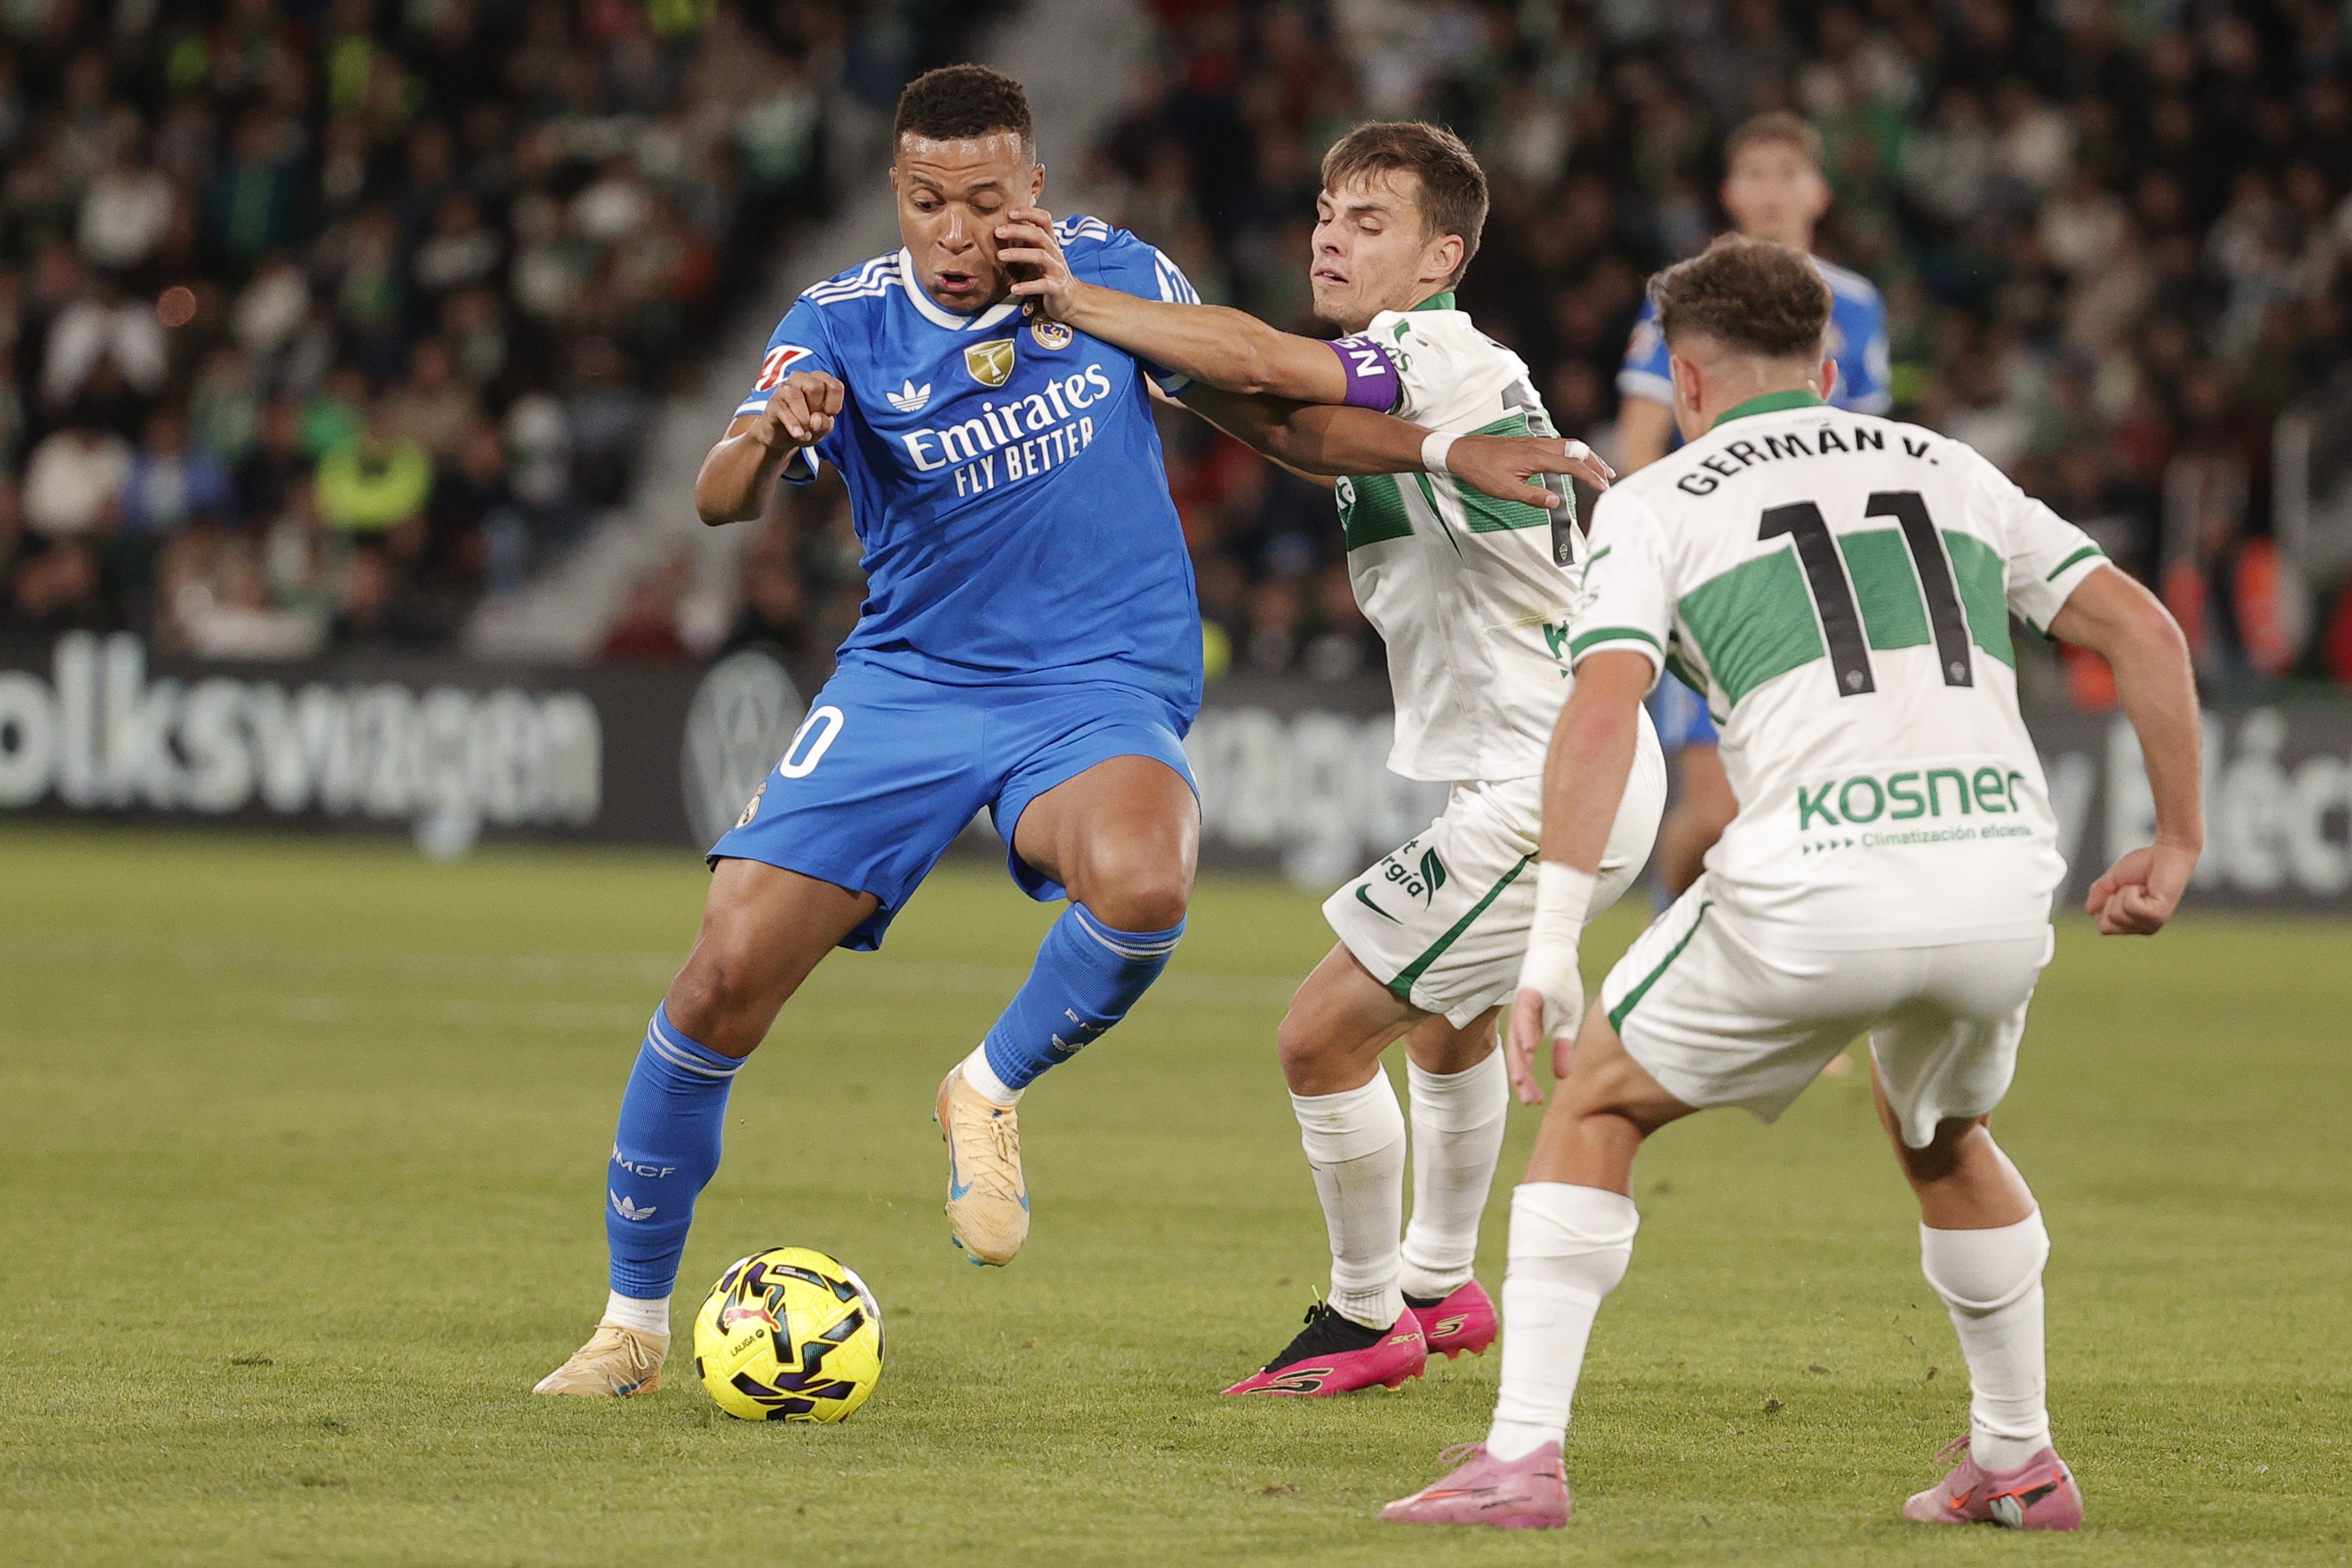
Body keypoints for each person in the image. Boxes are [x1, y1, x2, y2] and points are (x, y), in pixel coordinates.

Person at [535, 66, 1597, 1399]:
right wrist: (770, 434)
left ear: (1032, 187)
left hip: (1097, 681)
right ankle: (630, 1323)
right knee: (718, 980)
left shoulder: (1106, 272)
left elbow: (1271, 414)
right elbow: (715, 494)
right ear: (897, 198)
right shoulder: (840, 323)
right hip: (908, 685)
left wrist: (1441, 450)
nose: (958, 232)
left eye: (986, 200)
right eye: (928, 202)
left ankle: (985, 1092)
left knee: (1150, 882)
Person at [1381, 240, 2201, 1530]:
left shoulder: (1651, 500)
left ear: (1685, 379)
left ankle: (1518, 1459)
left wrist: (1547, 944)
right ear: (1826, 370)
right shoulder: (1950, 466)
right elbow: (2141, 628)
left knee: (1593, 1100)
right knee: (1939, 1133)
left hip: (1820, 875)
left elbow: (1601, 714)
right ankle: (2015, 1457)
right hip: (1999, 876)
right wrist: (2176, 840)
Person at [998, 121, 1664, 1398]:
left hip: (1546, 788)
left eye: (1368, 221)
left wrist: (1083, 302)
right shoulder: (1428, 375)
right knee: (1444, 1028)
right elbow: (1300, 432)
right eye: (1322, 209)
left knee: (1317, 1038)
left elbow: (1260, 359)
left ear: (1437, 261)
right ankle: (1438, 1283)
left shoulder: (1430, 351)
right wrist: (1167, 370)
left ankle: (1364, 1316)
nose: (1327, 233)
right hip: (1555, 768)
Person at [1620, 113, 1893, 899]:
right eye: (1756, 174)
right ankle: (1662, 959)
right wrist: (1660, 548)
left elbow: (1860, 446)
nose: (1772, 191)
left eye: (1787, 173)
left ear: (1819, 192)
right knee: (1713, 812)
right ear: (1728, 194)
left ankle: (1752, 980)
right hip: (1713, 569)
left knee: (1791, 806)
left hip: (1815, 574)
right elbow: (1640, 438)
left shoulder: (1856, 303)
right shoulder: (1679, 296)